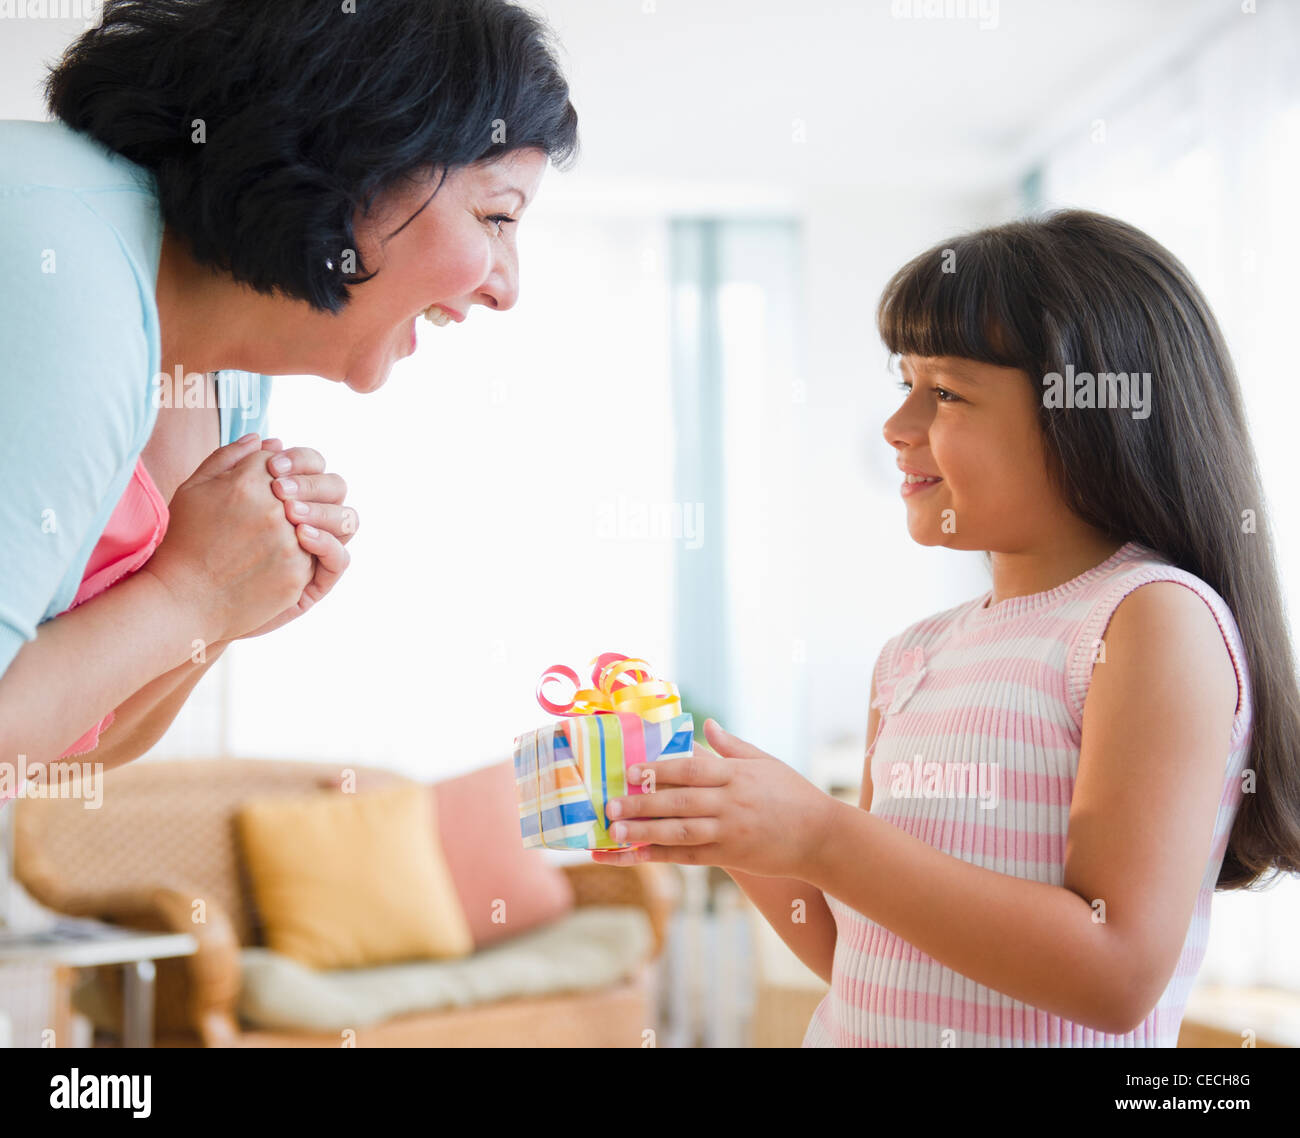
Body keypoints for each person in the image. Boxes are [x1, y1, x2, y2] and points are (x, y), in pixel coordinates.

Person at [592, 210, 1300, 1047]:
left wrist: (822, 834)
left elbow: (1114, 973)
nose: (897, 429)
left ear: (1091, 414)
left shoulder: (1149, 620)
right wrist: (739, 834)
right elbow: (863, 951)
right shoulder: (913, 657)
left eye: (948, 392)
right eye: (905, 384)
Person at [0, 0, 578, 793]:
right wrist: (193, 595)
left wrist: (219, 610)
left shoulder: (228, 380)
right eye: (495, 216)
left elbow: (61, 760)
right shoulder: (64, 269)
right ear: (359, 154)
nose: (505, 289)